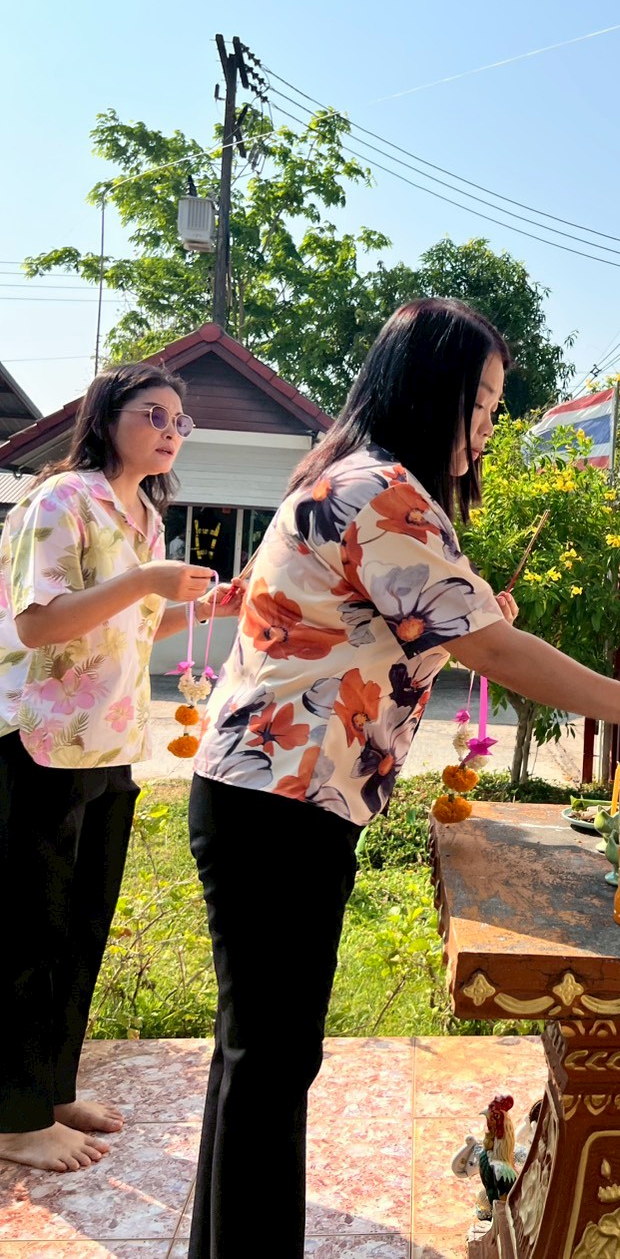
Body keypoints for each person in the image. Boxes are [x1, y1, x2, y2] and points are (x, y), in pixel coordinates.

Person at [187, 298, 620, 1258]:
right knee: (268, 1062)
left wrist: (474, 622)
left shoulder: (357, 478)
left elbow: (408, 634)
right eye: (479, 403)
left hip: (271, 798)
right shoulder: (382, 490)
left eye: (494, 407)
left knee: (255, 1059)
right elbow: (495, 650)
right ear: (428, 391)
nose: (486, 427)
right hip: (278, 805)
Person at [0, 363, 240, 1174]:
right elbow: (39, 624)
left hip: (109, 741)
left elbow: (133, 622)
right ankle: (14, 1117)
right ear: (107, 417)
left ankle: (53, 1089)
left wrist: (200, 605)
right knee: (30, 929)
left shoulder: (143, 516)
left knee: (81, 926)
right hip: (39, 738)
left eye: (180, 420)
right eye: (154, 414)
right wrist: (145, 580)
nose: (171, 430)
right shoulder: (62, 498)